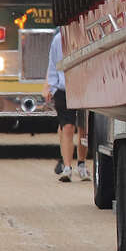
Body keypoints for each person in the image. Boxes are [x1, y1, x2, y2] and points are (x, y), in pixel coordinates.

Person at [44, 28, 88, 181]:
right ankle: (67, 168)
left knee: (83, 129)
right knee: (68, 127)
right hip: (64, 90)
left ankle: (81, 164)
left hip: (85, 88)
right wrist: (51, 86)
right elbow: (53, 64)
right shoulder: (58, 40)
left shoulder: (87, 34)